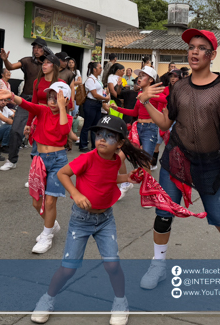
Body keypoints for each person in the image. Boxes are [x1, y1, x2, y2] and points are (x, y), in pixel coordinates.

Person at [135, 28, 220, 308]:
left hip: (209, 165)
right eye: (191, 46)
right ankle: (158, 265)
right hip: (176, 159)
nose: (194, 51)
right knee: (163, 215)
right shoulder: (178, 87)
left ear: (212, 55)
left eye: (201, 47)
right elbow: (166, 124)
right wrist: (145, 102)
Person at [30, 115, 150, 324]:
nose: (102, 139)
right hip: (81, 220)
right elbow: (62, 174)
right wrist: (76, 194)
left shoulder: (115, 159)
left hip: (105, 220)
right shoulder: (87, 158)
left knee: (112, 265)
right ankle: (46, 299)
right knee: (68, 268)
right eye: (99, 135)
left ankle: (121, 302)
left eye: (109, 136)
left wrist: (128, 178)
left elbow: (110, 178)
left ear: (119, 144)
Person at [0, 82, 72, 254]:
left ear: (65, 100)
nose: (52, 100)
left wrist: (62, 108)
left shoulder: (66, 116)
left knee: (50, 201)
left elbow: (64, 131)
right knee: (37, 203)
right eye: (50, 96)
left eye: (56, 97)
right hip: (40, 160)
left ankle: (47, 236)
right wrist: (11, 96)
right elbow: (27, 104)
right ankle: (52, 225)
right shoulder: (42, 111)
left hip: (58, 161)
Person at [110, 66, 165, 198]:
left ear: (151, 80)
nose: (139, 78)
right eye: (139, 76)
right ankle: (125, 184)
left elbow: (167, 100)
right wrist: (117, 109)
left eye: (142, 76)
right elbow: (135, 113)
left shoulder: (154, 94)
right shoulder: (139, 95)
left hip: (150, 130)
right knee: (119, 157)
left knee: (145, 163)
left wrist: (149, 96)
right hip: (137, 128)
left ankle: (151, 193)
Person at [0, 38, 47, 171]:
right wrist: (5, 60)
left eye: (39, 48)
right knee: (15, 130)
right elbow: (10, 67)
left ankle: (39, 166)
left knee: (41, 133)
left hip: (43, 101)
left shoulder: (49, 65)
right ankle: (12, 160)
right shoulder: (27, 61)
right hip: (26, 99)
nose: (36, 50)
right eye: (34, 48)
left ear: (45, 50)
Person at [79, 61, 110, 152]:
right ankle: (83, 145)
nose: (101, 69)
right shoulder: (90, 80)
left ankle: (94, 145)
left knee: (95, 126)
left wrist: (105, 96)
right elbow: (95, 94)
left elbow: (100, 93)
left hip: (97, 104)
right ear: (94, 69)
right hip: (91, 104)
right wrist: (106, 98)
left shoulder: (97, 79)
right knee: (87, 125)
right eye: (100, 68)